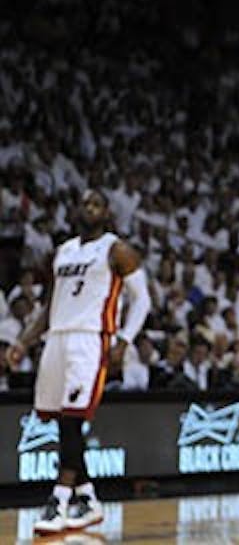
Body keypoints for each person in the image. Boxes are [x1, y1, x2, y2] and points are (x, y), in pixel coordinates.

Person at [6, 188, 151, 536]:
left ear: (107, 213)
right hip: (57, 337)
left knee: (72, 422)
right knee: (60, 421)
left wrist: (124, 339)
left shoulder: (118, 250)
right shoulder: (64, 251)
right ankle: (87, 498)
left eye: (97, 204)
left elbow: (142, 299)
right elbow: (48, 307)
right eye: (84, 202)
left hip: (90, 338)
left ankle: (59, 500)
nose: (89, 208)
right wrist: (24, 342)